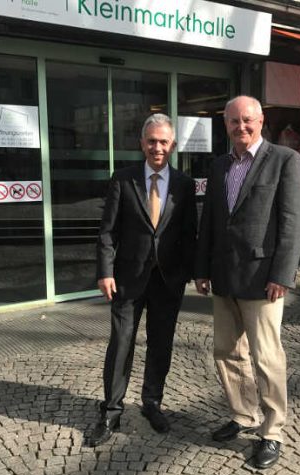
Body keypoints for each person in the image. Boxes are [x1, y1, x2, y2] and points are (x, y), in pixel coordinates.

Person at [195, 96, 300, 469]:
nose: (240, 127)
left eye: (247, 120)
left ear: (261, 121)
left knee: (266, 357)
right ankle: (243, 414)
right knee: (227, 352)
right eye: (233, 122)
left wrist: (282, 275)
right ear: (225, 125)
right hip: (225, 276)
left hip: (263, 279)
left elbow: (293, 223)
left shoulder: (284, 160)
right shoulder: (218, 166)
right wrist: (202, 267)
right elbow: (211, 221)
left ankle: (272, 431)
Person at [86, 113, 197, 447]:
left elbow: (190, 234)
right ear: (142, 144)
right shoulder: (123, 180)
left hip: (167, 280)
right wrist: (105, 271)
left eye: (163, 142)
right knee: (121, 344)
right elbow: (108, 232)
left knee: (161, 344)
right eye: (152, 141)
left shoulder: (185, 184)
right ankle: (111, 410)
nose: (157, 148)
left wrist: (191, 274)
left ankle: (152, 402)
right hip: (127, 279)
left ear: (173, 145)